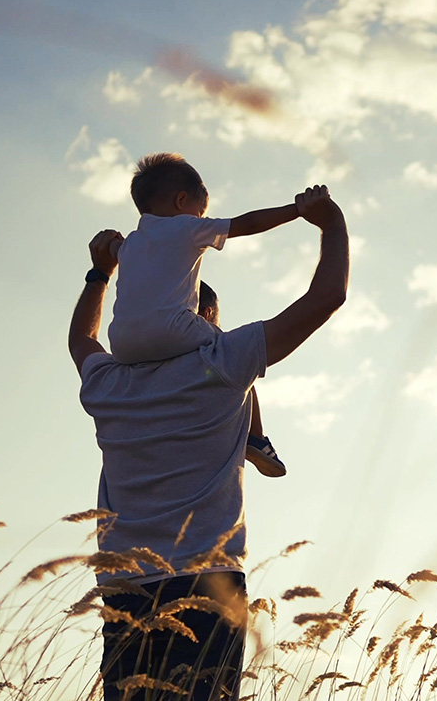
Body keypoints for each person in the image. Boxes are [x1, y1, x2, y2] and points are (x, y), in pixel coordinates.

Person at [68, 184, 348, 701]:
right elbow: (326, 297)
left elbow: (80, 338)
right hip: (208, 581)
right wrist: (329, 225)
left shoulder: (107, 383)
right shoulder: (223, 363)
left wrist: (99, 274)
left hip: (127, 588)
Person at [109, 151, 301, 476]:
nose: (201, 219)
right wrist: (297, 210)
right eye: (201, 213)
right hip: (172, 330)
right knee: (237, 354)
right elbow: (248, 223)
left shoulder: (129, 246)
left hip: (121, 346)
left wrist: (107, 246)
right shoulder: (186, 228)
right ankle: (256, 438)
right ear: (182, 201)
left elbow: (111, 251)